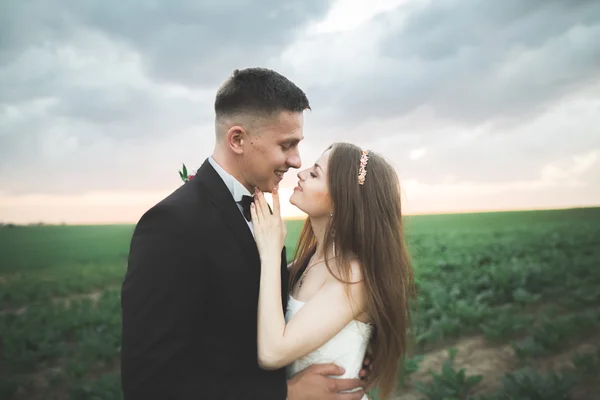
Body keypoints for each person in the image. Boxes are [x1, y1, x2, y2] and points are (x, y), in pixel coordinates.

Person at [120, 68, 370, 400]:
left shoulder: (264, 213)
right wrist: (285, 393)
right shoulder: (171, 226)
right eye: (286, 145)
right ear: (237, 139)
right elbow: (150, 383)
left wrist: (348, 346)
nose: (296, 161)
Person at [250, 142, 416, 400]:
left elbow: (273, 352)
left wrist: (271, 251)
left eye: (315, 173)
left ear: (342, 201)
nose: (301, 173)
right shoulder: (309, 260)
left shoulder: (352, 276)